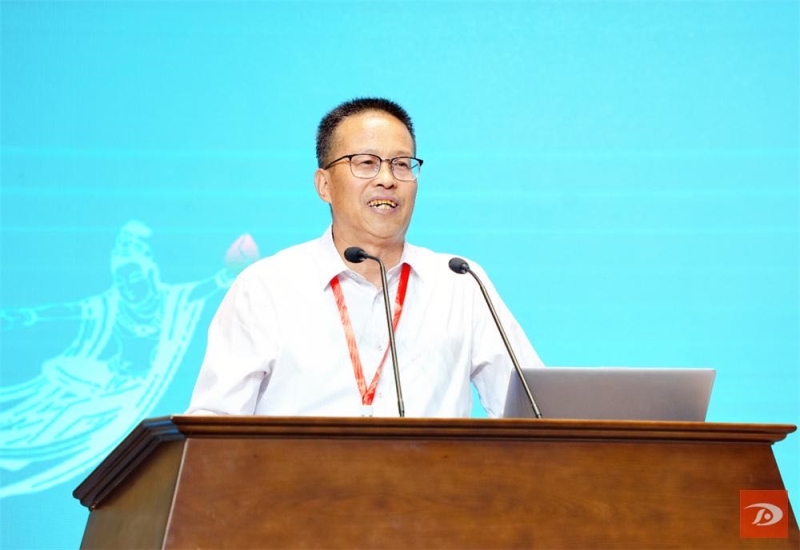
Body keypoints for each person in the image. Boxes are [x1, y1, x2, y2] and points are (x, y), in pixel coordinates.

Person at [186, 97, 542, 418]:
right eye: (367, 163)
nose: (387, 179)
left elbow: (537, 412)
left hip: (431, 473)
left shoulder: (459, 283)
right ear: (324, 185)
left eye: (401, 164)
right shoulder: (266, 287)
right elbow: (212, 424)